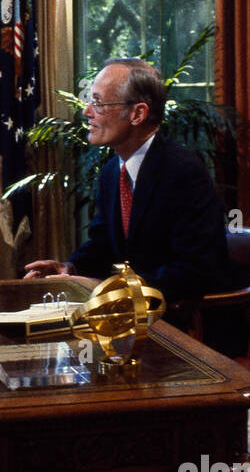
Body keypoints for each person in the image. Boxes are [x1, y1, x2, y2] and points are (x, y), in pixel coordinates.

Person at [24, 58, 229, 308]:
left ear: (137, 113)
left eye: (98, 103)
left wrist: (116, 290)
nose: (86, 112)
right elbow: (103, 245)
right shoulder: (113, 170)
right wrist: (69, 267)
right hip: (132, 312)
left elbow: (196, 269)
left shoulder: (183, 170)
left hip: (180, 318)